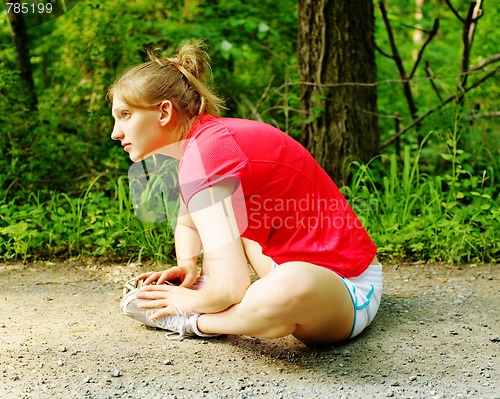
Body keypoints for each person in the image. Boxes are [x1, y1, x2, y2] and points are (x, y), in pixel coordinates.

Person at [109, 40, 382, 345]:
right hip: (283, 264)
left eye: (125, 115)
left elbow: (231, 289)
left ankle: (197, 321)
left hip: (346, 286)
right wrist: (188, 265)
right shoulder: (200, 145)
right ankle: (220, 300)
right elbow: (189, 220)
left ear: (164, 112)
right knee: (262, 276)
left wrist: (184, 301)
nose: (115, 132)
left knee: (287, 287)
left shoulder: (210, 151)